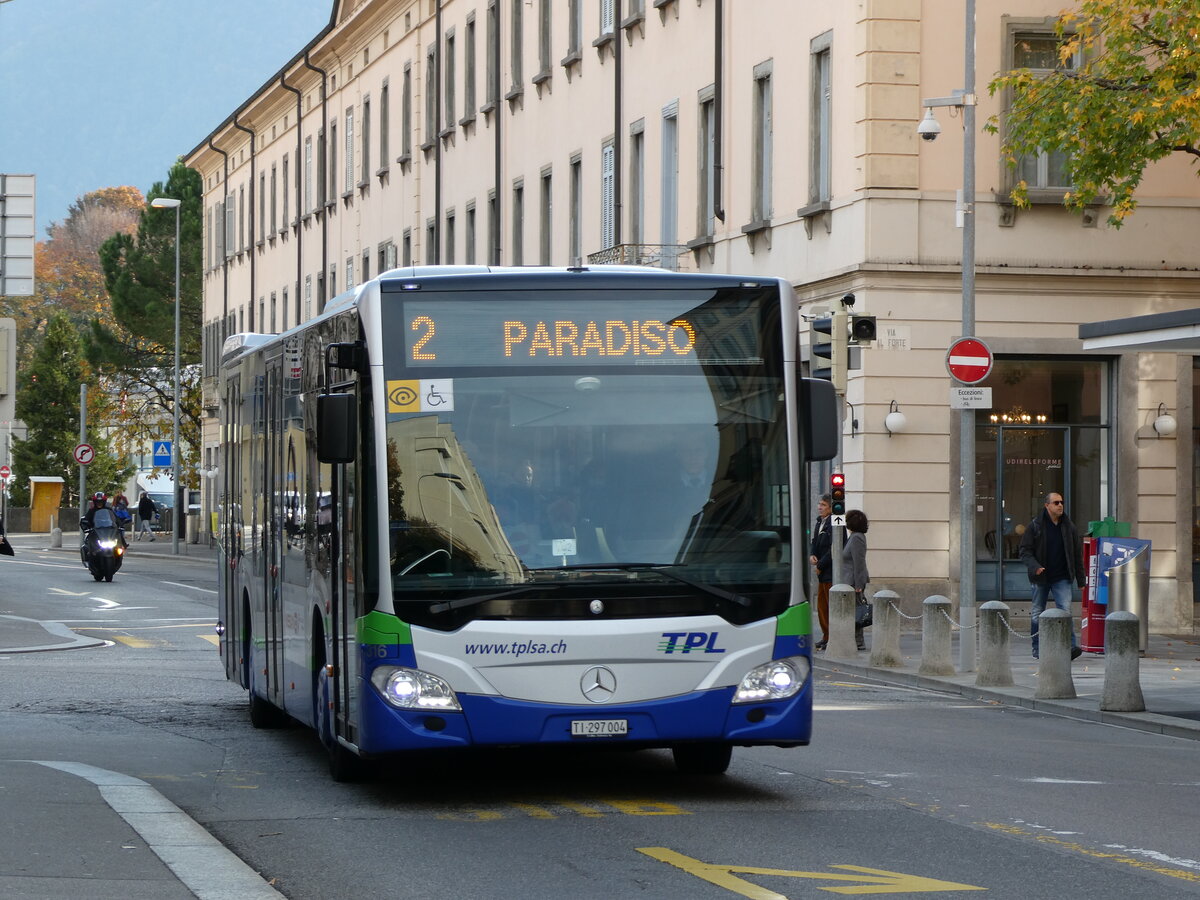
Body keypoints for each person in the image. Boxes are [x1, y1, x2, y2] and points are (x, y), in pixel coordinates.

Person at [1018, 491, 1084, 661]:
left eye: (1061, 502)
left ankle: (1069, 647)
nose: (1060, 505)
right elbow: (1025, 551)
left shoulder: (1069, 527)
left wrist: (1081, 580)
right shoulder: (1035, 526)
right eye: (1056, 502)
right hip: (1041, 577)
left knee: (1065, 611)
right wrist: (1035, 567)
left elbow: (1077, 554)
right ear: (1047, 505)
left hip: (1062, 577)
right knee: (1037, 612)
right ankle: (1037, 648)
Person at [843, 509, 870, 651]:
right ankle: (854, 640)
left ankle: (859, 642)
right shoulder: (853, 536)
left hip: (854, 582)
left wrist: (859, 584)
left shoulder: (857, 538)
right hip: (849, 580)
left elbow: (859, 562)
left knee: (857, 612)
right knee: (853, 612)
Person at [809, 494, 833, 650]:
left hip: (830, 571)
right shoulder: (820, 522)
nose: (819, 507)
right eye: (819, 504)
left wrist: (820, 565)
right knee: (821, 607)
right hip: (821, 572)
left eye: (823, 505)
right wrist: (812, 554)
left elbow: (834, 548)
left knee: (828, 606)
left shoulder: (834, 523)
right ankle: (826, 636)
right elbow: (814, 542)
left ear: (831, 508)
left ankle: (830, 637)